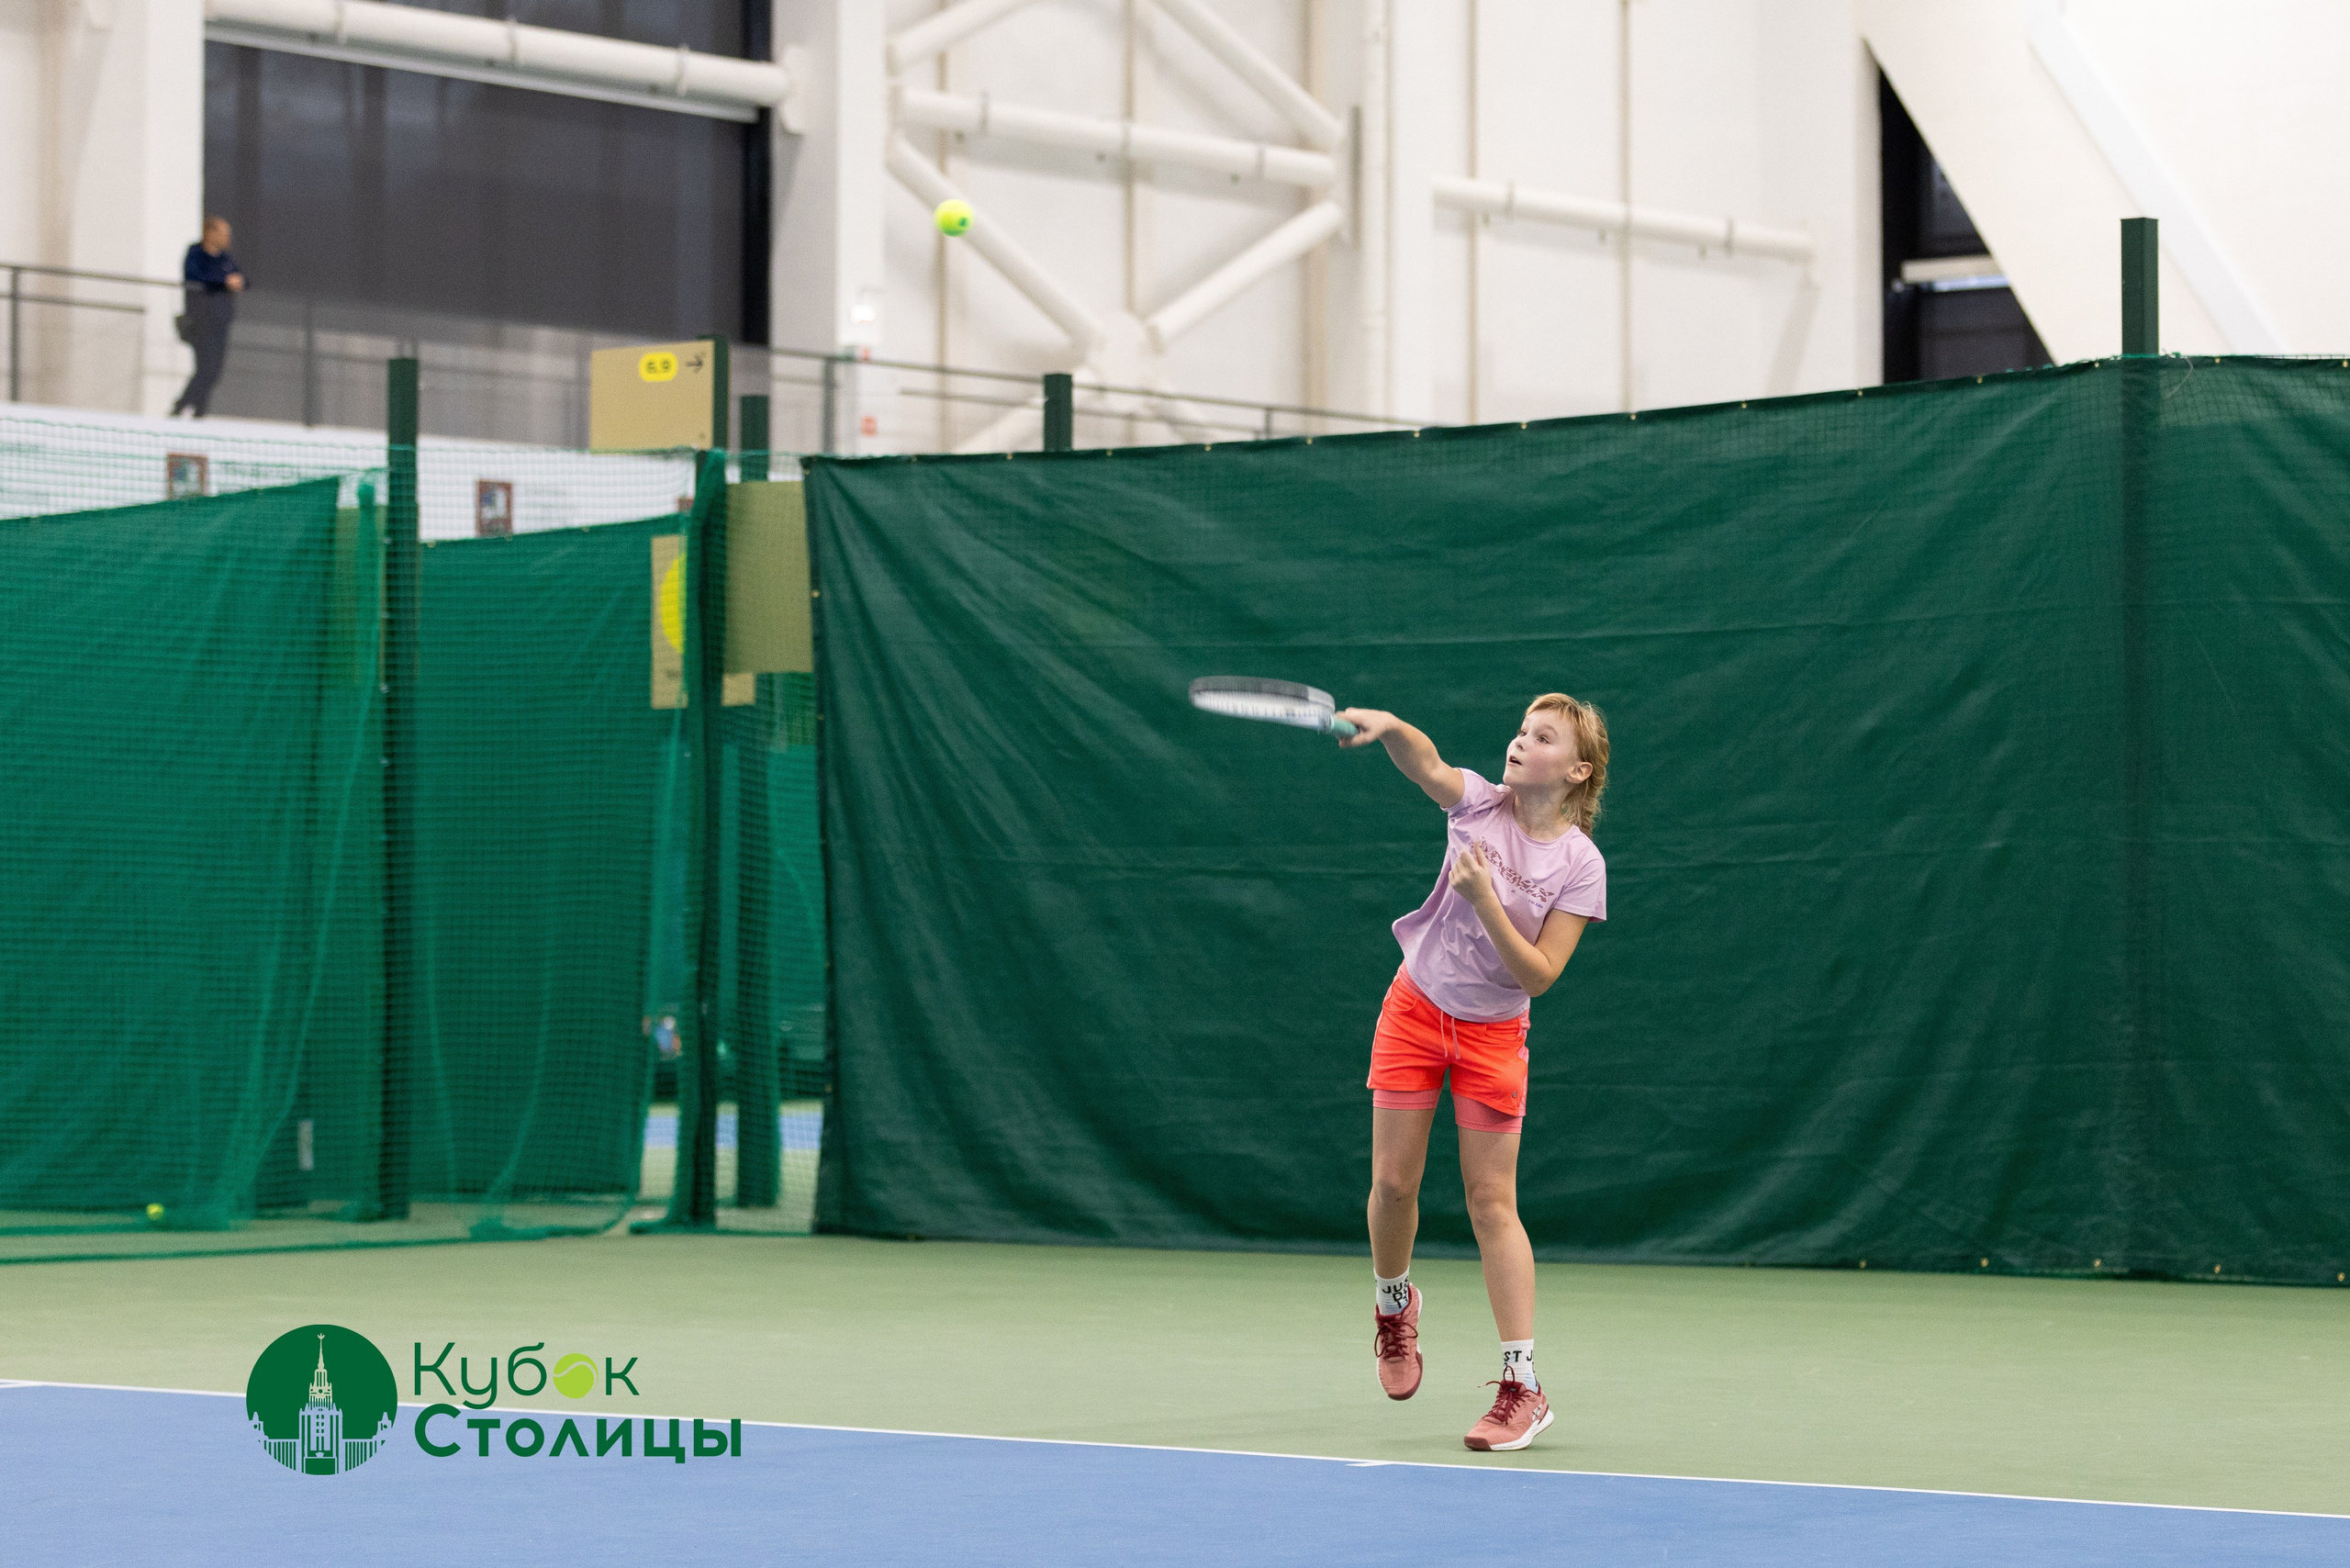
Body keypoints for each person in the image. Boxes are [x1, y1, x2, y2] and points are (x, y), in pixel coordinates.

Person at [1334, 692, 1609, 1452]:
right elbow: (1426, 764)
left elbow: (1541, 974)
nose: (1520, 743)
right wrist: (1392, 725)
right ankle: (1396, 1308)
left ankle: (1523, 1386)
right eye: (1520, 729)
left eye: (1542, 737)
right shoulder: (1479, 808)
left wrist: (1486, 898)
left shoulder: (1581, 867)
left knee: (1492, 1203)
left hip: (1494, 1035)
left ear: (1577, 770)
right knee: (1393, 1184)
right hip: (1416, 1008)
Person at [172, 217, 245, 418]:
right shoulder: (195, 254)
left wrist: (238, 282)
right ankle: (181, 407)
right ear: (210, 233)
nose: (228, 238)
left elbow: (241, 279)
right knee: (205, 368)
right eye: (224, 233)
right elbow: (197, 277)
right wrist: (224, 282)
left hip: (221, 322)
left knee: (214, 372)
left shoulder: (226, 259)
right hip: (201, 321)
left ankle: (198, 412)